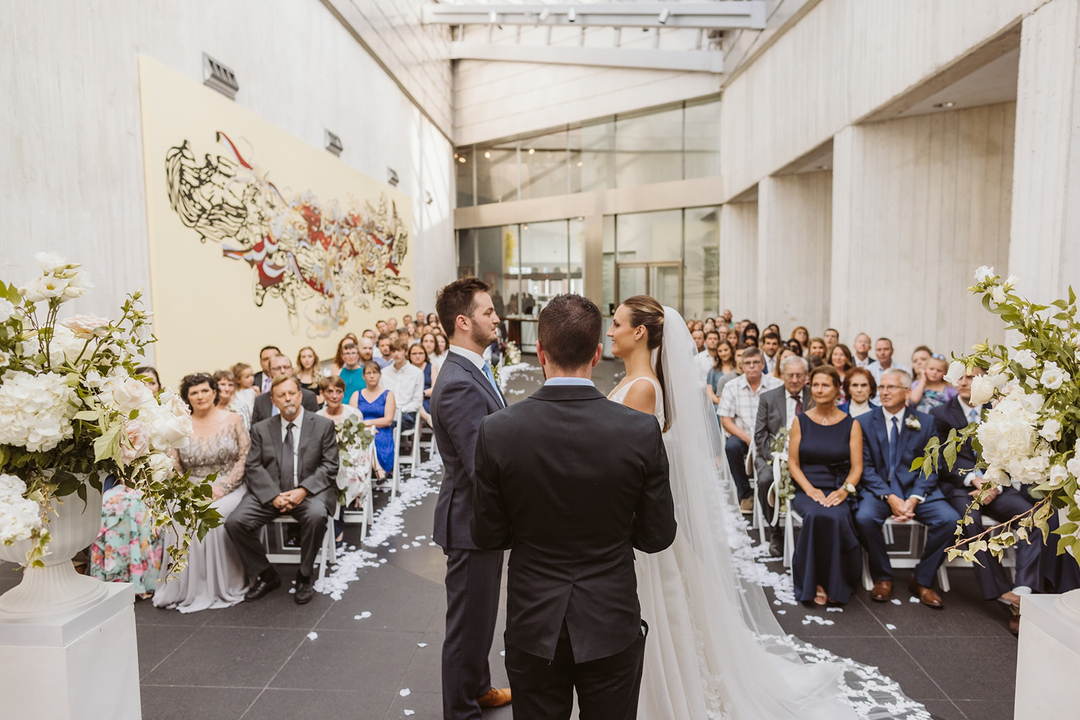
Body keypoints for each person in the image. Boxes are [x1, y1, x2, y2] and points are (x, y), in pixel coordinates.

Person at [601, 296, 859, 720]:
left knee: (659, 616)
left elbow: (629, 469)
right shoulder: (635, 381)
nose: (610, 331)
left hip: (635, 523)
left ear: (639, 332)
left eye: (616, 324)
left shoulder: (644, 388)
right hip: (642, 522)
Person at [474, 293, 676, 720]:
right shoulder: (639, 430)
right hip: (611, 616)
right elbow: (657, 536)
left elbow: (488, 534)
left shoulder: (497, 430)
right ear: (597, 353)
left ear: (540, 353)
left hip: (533, 619)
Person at [429, 277, 511, 719]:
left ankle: (478, 688)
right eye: (487, 312)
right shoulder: (459, 381)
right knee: (464, 626)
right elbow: (481, 464)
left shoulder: (473, 366)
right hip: (470, 522)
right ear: (463, 322)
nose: (496, 317)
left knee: (480, 615)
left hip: (477, 519)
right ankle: (460, 711)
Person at [931, 369, 1041, 627]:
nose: (965, 382)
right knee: (970, 522)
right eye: (961, 377)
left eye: (972, 377)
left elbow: (1012, 451)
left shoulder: (998, 411)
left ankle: (1023, 592)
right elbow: (941, 458)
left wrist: (993, 482)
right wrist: (974, 480)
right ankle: (1002, 592)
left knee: (1032, 517)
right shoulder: (940, 415)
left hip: (997, 486)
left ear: (985, 382)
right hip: (961, 487)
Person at [225, 375, 339, 606]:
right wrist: (273, 496)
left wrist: (302, 491)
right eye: (281, 395)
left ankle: (304, 575)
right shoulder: (261, 429)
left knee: (316, 516)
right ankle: (267, 574)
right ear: (273, 401)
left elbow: (330, 466)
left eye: (291, 393)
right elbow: (253, 466)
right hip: (271, 493)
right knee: (236, 522)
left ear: (300, 395)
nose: (287, 399)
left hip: (309, 493)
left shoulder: (323, 425)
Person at [854, 369, 960, 608]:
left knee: (950, 520)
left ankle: (922, 578)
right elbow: (866, 468)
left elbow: (932, 465)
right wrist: (889, 496)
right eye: (881, 387)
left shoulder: (926, 421)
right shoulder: (862, 423)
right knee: (863, 518)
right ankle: (883, 576)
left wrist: (914, 497)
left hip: (918, 490)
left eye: (890, 387)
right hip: (880, 492)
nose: (884, 392)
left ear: (907, 392)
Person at [154, 373, 250, 612]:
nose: (200, 396)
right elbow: (173, 464)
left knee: (213, 517)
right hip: (191, 486)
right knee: (178, 514)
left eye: (205, 390)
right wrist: (187, 491)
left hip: (229, 485)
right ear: (187, 398)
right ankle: (185, 589)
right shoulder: (179, 425)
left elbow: (245, 457)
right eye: (194, 393)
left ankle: (222, 585)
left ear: (215, 392)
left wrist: (222, 488)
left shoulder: (234, 419)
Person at [787, 365, 864, 605]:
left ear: (837, 389)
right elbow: (793, 462)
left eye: (825, 385)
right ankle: (814, 582)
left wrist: (843, 491)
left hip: (838, 488)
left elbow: (857, 467)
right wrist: (809, 489)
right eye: (816, 385)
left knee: (837, 516)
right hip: (806, 488)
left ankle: (836, 582)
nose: (819, 390)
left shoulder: (851, 424)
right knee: (816, 515)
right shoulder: (800, 421)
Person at [89, 367, 164, 598]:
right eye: (143, 383)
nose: (148, 387)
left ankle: (143, 577)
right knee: (112, 502)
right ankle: (112, 577)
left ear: (159, 386)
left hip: (156, 478)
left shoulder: (163, 415)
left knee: (135, 503)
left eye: (152, 382)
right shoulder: (119, 414)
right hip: (121, 478)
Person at [755, 354, 813, 557]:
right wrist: (779, 456)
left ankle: (812, 531)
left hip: (808, 458)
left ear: (806, 376)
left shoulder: (814, 397)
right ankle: (775, 531)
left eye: (799, 375)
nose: (795, 380)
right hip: (774, 456)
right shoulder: (768, 398)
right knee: (765, 479)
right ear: (782, 375)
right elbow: (760, 434)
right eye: (790, 375)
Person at [719, 347, 783, 513]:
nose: (752, 366)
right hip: (743, 435)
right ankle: (746, 494)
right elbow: (726, 421)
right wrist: (749, 439)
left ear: (763, 364)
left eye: (756, 362)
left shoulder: (777, 385)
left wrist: (763, 440)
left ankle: (778, 491)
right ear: (742, 366)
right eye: (748, 363)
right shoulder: (732, 386)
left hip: (771, 435)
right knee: (731, 447)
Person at [251, 354, 320, 425]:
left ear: (292, 369)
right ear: (269, 372)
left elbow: (314, 425)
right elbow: (256, 431)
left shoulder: (308, 396)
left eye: (286, 367)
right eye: (277, 368)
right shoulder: (260, 401)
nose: (283, 371)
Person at [356, 362, 396, 477]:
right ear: (363, 376)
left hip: (381, 431)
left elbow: (388, 420)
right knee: (362, 439)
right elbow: (351, 420)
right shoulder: (356, 395)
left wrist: (368, 423)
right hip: (360, 431)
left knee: (374, 440)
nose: (372, 376)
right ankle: (377, 470)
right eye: (368, 373)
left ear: (380, 375)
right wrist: (364, 428)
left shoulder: (388, 395)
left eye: (375, 372)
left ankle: (377, 468)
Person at [381, 336, 425, 431]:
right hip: (385, 412)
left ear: (405, 352)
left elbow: (417, 402)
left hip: (406, 413)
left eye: (399, 350)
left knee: (390, 424)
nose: (396, 354)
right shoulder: (384, 372)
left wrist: (399, 410)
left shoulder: (417, 373)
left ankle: (390, 446)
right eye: (393, 351)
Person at [409, 342, 438, 427]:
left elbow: (435, 388)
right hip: (410, 399)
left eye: (420, 353)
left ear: (425, 354)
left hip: (427, 399)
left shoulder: (432, 367)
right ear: (409, 355)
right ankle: (427, 418)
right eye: (414, 353)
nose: (417, 356)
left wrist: (422, 393)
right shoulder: (407, 368)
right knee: (415, 405)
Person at [337, 341, 365, 406]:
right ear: (342, 356)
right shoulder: (338, 374)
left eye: (353, 353)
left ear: (358, 355)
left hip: (362, 406)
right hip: (343, 408)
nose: (350, 356)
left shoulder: (365, 372)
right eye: (347, 354)